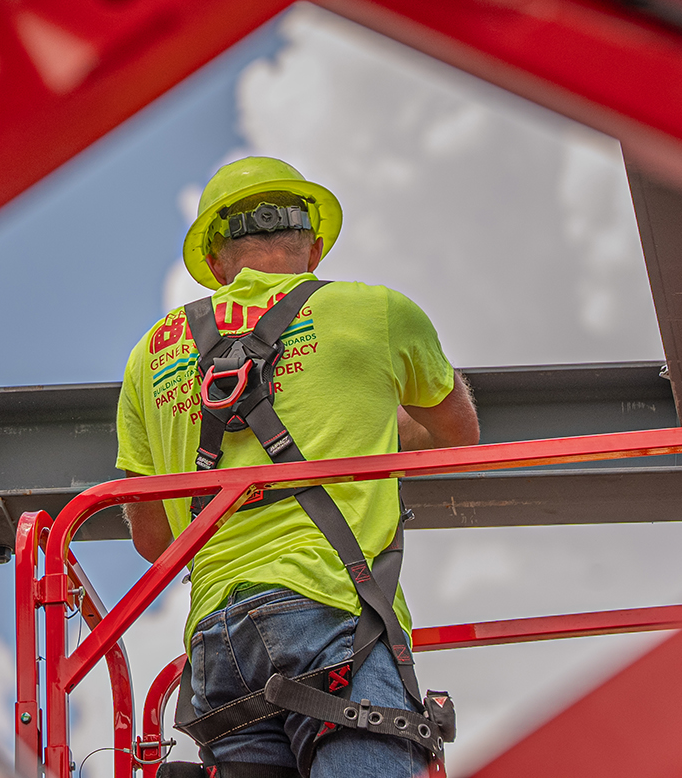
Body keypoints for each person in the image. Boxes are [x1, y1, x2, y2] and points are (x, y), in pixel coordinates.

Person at [116, 157, 479, 778]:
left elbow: (153, 540)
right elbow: (459, 437)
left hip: (217, 645)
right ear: (313, 248)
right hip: (333, 611)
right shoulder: (376, 312)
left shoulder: (150, 354)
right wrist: (365, 427)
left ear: (216, 258)